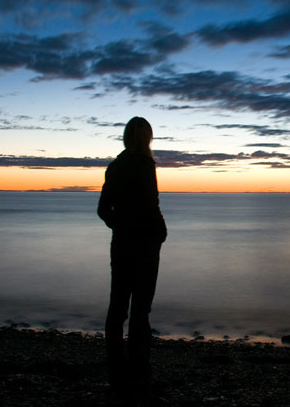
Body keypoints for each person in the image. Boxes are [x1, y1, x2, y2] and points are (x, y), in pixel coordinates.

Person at [97, 116, 167, 393]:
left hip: (122, 243)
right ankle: (139, 375)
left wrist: (120, 225)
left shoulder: (115, 166)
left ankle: (116, 373)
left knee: (117, 309)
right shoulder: (144, 164)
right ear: (147, 139)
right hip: (145, 245)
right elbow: (152, 204)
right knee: (140, 310)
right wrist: (160, 232)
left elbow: (103, 210)